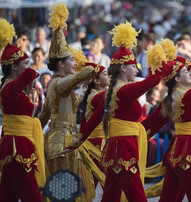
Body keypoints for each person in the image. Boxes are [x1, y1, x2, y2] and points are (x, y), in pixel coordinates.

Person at [62, 21, 161, 202]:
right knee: (137, 196)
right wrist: (158, 64)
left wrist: (76, 142)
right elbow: (153, 80)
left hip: (114, 149)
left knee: (111, 197)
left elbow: (92, 121)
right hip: (124, 150)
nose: (136, 70)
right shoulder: (123, 90)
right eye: (133, 67)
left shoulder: (111, 92)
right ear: (123, 68)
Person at [142, 43, 191, 201]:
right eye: (188, 71)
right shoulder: (187, 97)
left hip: (182, 151)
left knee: (171, 198)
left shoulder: (174, 97)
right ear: (178, 78)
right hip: (188, 153)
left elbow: (153, 123)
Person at [38, 4, 99, 201]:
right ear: (61, 64)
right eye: (72, 60)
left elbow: (44, 114)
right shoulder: (59, 84)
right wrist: (86, 71)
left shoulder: (55, 85)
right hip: (62, 143)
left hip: (62, 140)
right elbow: (89, 71)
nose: (75, 63)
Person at [0, 18, 45, 202]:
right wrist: (31, 68)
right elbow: (30, 74)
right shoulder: (8, 88)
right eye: (24, 63)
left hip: (21, 146)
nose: (28, 66)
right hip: (15, 149)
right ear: (13, 66)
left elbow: (28, 74)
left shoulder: (15, 88)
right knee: (33, 198)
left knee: (7, 198)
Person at [78, 62, 109, 189]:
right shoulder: (98, 96)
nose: (109, 77)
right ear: (96, 80)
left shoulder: (96, 95)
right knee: (102, 181)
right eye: (106, 74)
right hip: (97, 143)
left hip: (97, 141)